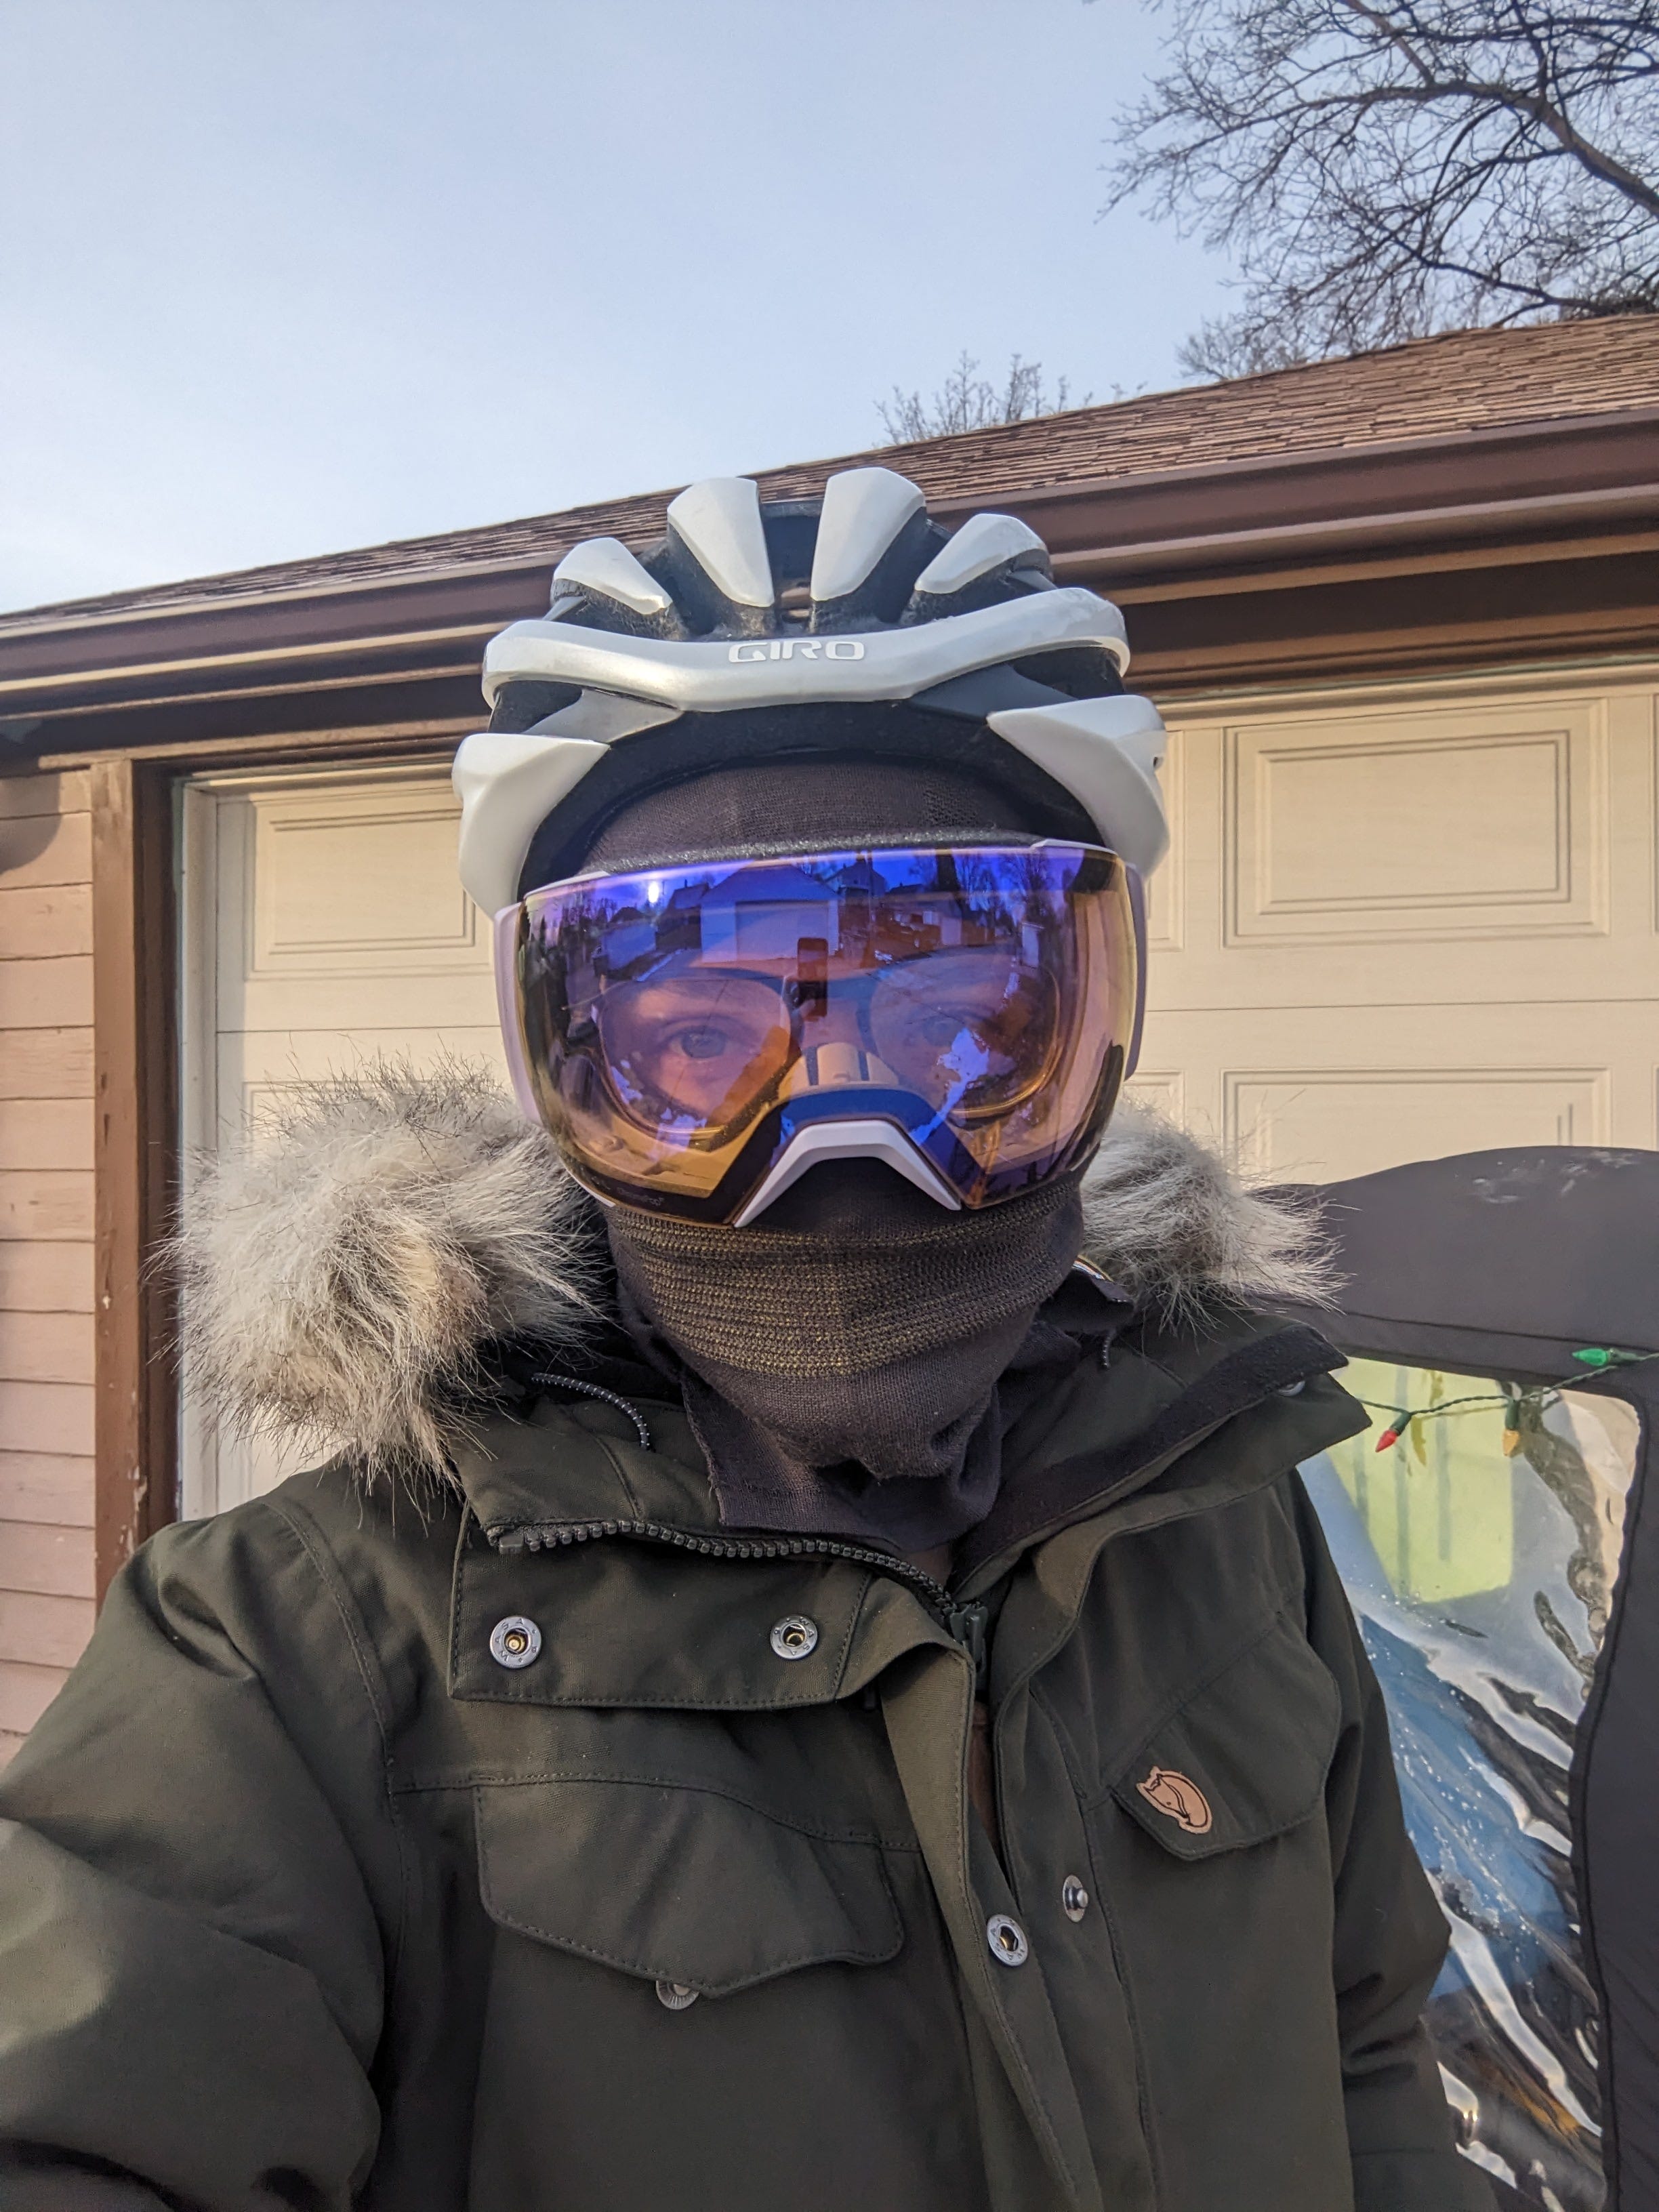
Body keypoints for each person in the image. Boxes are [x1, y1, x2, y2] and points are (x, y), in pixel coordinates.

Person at [0, 468, 1490, 2211]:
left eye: (951, 1024)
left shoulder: (1222, 1532)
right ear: (564, 1083)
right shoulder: (295, 1655)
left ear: (1091, 1042)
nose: (836, 1139)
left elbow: (1369, 2057)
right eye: (703, 1047)